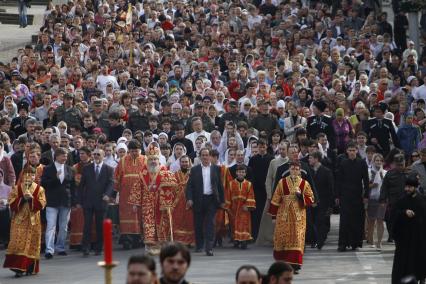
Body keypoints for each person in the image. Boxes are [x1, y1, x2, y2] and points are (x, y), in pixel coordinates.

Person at [128, 143, 176, 255]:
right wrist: (135, 203)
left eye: (155, 159)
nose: (154, 161)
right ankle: (151, 247)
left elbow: (172, 185)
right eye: (151, 159)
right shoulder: (143, 172)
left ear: (158, 159)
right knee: (148, 224)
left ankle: (163, 246)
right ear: (148, 160)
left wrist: (167, 198)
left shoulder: (164, 170)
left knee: (162, 224)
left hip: (161, 203)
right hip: (147, 203)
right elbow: (137, 188)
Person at [269, 162, 315, 273]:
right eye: (292, 169)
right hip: (283, 215)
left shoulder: (304, 183)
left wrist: (301, 196)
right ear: (289, 169)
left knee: (297, 239)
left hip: (299, 216)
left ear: (300, 171)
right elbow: (275, 199)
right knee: (283, 238)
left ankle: (295, 265)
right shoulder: (282, 182)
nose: (294, 171)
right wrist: (274, 216)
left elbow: (311, 198)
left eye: (296, 169)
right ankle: (283, 264)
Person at [3, 172, 46, 277]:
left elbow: (42, 204)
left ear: (34, 176)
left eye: (31, 175)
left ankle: (29, 268)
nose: (29, 177)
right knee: (17, 243)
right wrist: (22, 199)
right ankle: (18, 268)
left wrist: (31, 199)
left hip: (33, 221)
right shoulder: (17, 188)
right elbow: (10, 202)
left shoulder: (40, 189)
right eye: (26, 175)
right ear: (22, 176)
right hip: (19, 221)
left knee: (32, 244)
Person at [186, 148, 225, 256]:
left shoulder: (216, 169)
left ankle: (209, 248)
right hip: (198, 200)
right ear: (200, 157)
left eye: (207, 155)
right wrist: (189, 199)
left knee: (210, 224)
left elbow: (220, 186)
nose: (205, 157)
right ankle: (199, 245)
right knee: (198, 224)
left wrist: (222, 201)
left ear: (210, 156)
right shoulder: (195, 170)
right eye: (203, 155)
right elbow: (189, 186)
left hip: (211, 200)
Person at [41, 147, 75, 259]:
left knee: (63, 226)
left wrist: (74, 201)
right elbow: (44, 184)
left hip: (66, 201)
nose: (65, 157)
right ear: (57, 156)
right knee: (51, 226)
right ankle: (49, 250)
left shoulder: (70, 169)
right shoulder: (48, 169)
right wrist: (55, 179)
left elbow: (73, 187)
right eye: (63, 155)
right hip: (52, 201)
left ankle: (60, 247)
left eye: (66, 156)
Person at [78, 149, 114, 256]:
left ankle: (98, 248)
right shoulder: (86, 168)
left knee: (100, 226)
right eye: (95, 154)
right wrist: (80, 200)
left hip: (102, 201)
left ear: (103, 156)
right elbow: (81, 186)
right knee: (87, 225)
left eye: (99, 154)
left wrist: (107, 194)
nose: (96, 156)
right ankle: (86, 248)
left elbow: (111, 183)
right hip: (88, 201)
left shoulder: (109, 169)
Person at [391, 175, 426, 284]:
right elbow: (393, 214)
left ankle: (421, 278)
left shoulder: (422, 200)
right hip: (404, 239)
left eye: (410, 187)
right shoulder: (401, 200)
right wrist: (404, 212)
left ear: (415, 187)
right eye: (406, 186)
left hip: (418, 238)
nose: (407, 189)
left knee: (419, 259)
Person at [335, 142, 369, 252]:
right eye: (350, 150)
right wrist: (337, 195)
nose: (352, 152)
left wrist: (366, 195)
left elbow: (366, 180)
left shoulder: (362, 163)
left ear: (357, 151)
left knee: (356, 219)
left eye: (354, 150)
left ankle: (355, 243)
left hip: (358, 195)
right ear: (347, 151)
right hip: (345, 195)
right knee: (345, 220)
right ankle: (343, 244)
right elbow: (338, 180)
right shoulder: (343, 163)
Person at [114, 139, 146, 249]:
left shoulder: (145, 160)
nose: (134, 153)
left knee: (139, 217)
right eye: (132, 151)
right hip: (125, 196)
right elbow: (117, 178)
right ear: (129, 151)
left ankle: (140, 240)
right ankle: (127, 241)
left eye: (136, 151)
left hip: (141, 195)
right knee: (126, 217)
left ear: (140, 150)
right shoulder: (122, 161)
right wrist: (116, 192)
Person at [257, 141, 289, 246]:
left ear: (287, 150)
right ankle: (270, 238)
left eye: (283, 149)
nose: (281, 151)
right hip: (274, 194)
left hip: (287, 194)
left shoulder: (290, 162)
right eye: (280, 149)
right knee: (270, 219)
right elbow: (269, 178)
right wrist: (269, 194)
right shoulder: (273, 162)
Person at [248, 139, 274, 241]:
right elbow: (250, 174)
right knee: (256, 213)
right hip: (256, 190)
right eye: (260, 147)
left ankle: (266, 235)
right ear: (257, 147)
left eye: (263, 147)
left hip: (267, 190)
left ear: (266, 147)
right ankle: (255, 235)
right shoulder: (253, 159)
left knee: (267, 214)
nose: (262, 149)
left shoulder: (271, 159)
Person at [225, 164, 256, 249]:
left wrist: (248, 206)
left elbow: (251, 195)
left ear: (245, 174)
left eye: (242, 172)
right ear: (236, 173)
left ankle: (244, 241)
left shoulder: (249, 184)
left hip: (244, 208)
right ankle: (236, 240)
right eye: (239, 172)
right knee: (234, 224)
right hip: (234, 208)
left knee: (244, 225)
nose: (241, 174)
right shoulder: (231, 184)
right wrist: (227, 207)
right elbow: (228, 195)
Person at [380, 154, 408, 242]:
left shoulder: (409, 173)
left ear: (404, 163)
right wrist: (383, 200)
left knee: (404, 219)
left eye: (402, 165)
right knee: (390, 219)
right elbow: (384, 187)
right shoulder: (389, 174)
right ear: (395, 164)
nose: (400, 167)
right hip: (393, 200)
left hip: (406, 201)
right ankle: (391, 235)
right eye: (398, 165)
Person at [308, 151, 334, 249]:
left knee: (321, 221)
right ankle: (314, 240)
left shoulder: (326, 171)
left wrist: (330, 204)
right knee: (312, 222)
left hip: (323, 201)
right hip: (311, 201)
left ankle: (320, 241)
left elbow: (330, 188)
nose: (309, 160)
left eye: (311, 158)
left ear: (316, 159)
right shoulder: (309, 171)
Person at [69, 146, 92, 249]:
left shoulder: (93, 166)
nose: (81, 155)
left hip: (91, 197)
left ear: (88, 155)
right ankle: (78, 242)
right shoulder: (75, 167)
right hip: (78, 197)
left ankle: (91, 242)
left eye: (83, 153)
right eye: (80, 154)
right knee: (78, 220)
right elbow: (72, 185)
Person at [172, 155, 194, 246]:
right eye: (183, 162)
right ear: (180, 163)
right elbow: (172, 188)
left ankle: (191, 241)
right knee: (179, 221)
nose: (184, 164)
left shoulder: (193, 174)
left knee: (190, 221)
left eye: (186, 162)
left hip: (190, 201)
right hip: (179, 202)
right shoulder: (175, 174)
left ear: (189, 163)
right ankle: (180, 241)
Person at [366, 153, 387, 250]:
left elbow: (387, 186)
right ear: (373, 162)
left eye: (380, 161)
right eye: (376, 160)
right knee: (371, 220)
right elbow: (365, 186)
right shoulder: (369, 172)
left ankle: (379, 242)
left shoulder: (385, 172)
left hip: (382, 199)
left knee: (380, 220)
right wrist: (372, 185)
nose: (378, 162)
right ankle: (371, 241)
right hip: (371, 199)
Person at [0, 169, 12, 248]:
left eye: (0, 176)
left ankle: (5, 240)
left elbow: (11, 200)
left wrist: (4, 201)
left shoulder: (8, 188)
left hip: (5, 209)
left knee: (5, 214)